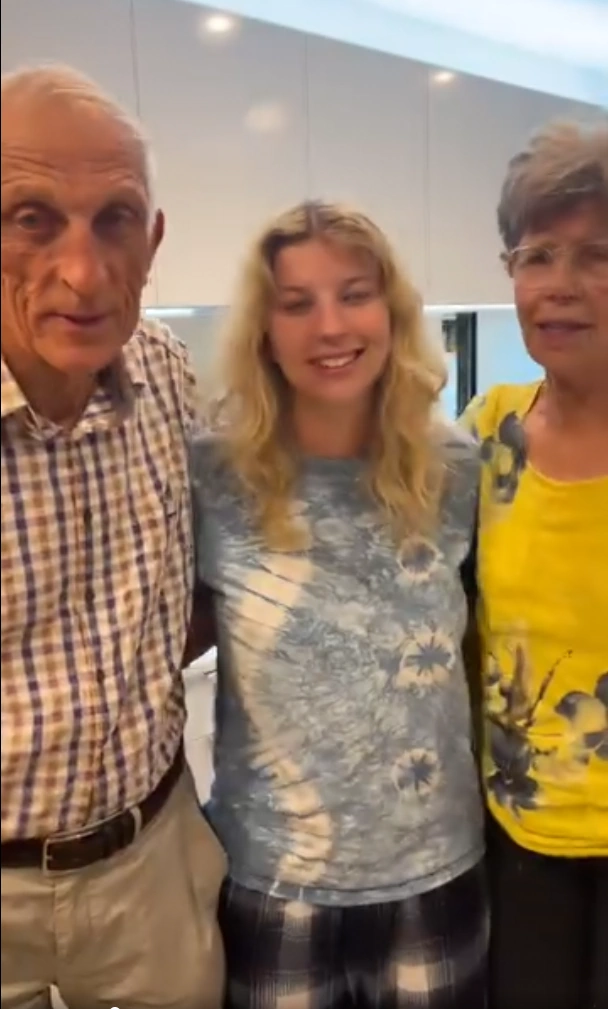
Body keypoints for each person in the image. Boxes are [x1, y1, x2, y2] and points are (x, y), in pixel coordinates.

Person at [189, 200, 488, 1008]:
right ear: (265, 328)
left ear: (390, 311)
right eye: (297, 303)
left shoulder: (455, 466)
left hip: (436, 868)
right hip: (276, 879)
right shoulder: (212, 473)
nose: (329, 325)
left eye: (354, 293)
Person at [0, 64, 226, 1009]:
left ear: (155, 239)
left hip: (153, 861)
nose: (84, 273)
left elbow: (207, 582)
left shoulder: (170, 373)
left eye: (116, 220)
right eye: (31, 217)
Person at [461, 121, 608, 1009]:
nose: (560, 287)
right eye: (537, 254)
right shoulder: (485, 434)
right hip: (519, 841)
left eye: (598, 255)